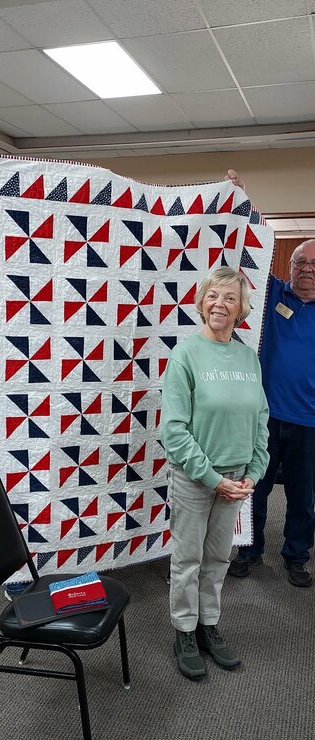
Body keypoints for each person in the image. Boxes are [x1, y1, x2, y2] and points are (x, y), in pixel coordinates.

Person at [160, 267, 269, 681]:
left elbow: (260, 417)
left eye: (229, 297)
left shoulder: (247, 357)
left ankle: (209, 625)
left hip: (237, 479)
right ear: (202, 302)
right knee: (187, 558)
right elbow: (173, 429)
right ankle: (184, 631)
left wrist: (253, 473)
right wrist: (211, 478)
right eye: (212, 296)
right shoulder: (186, 354)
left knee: (218, 557)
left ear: (241, 309)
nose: (219, 304)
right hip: (195, 479)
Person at [226, 170, 315, 588]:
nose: (306, 270)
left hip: (310, 424)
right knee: (254, 489)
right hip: (263, 419)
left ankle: (296, 555)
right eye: (299, 262)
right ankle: (249, 549)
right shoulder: (272, 296)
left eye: (313, 264)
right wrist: (240, 201)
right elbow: (245, 257)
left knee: (303, 497)